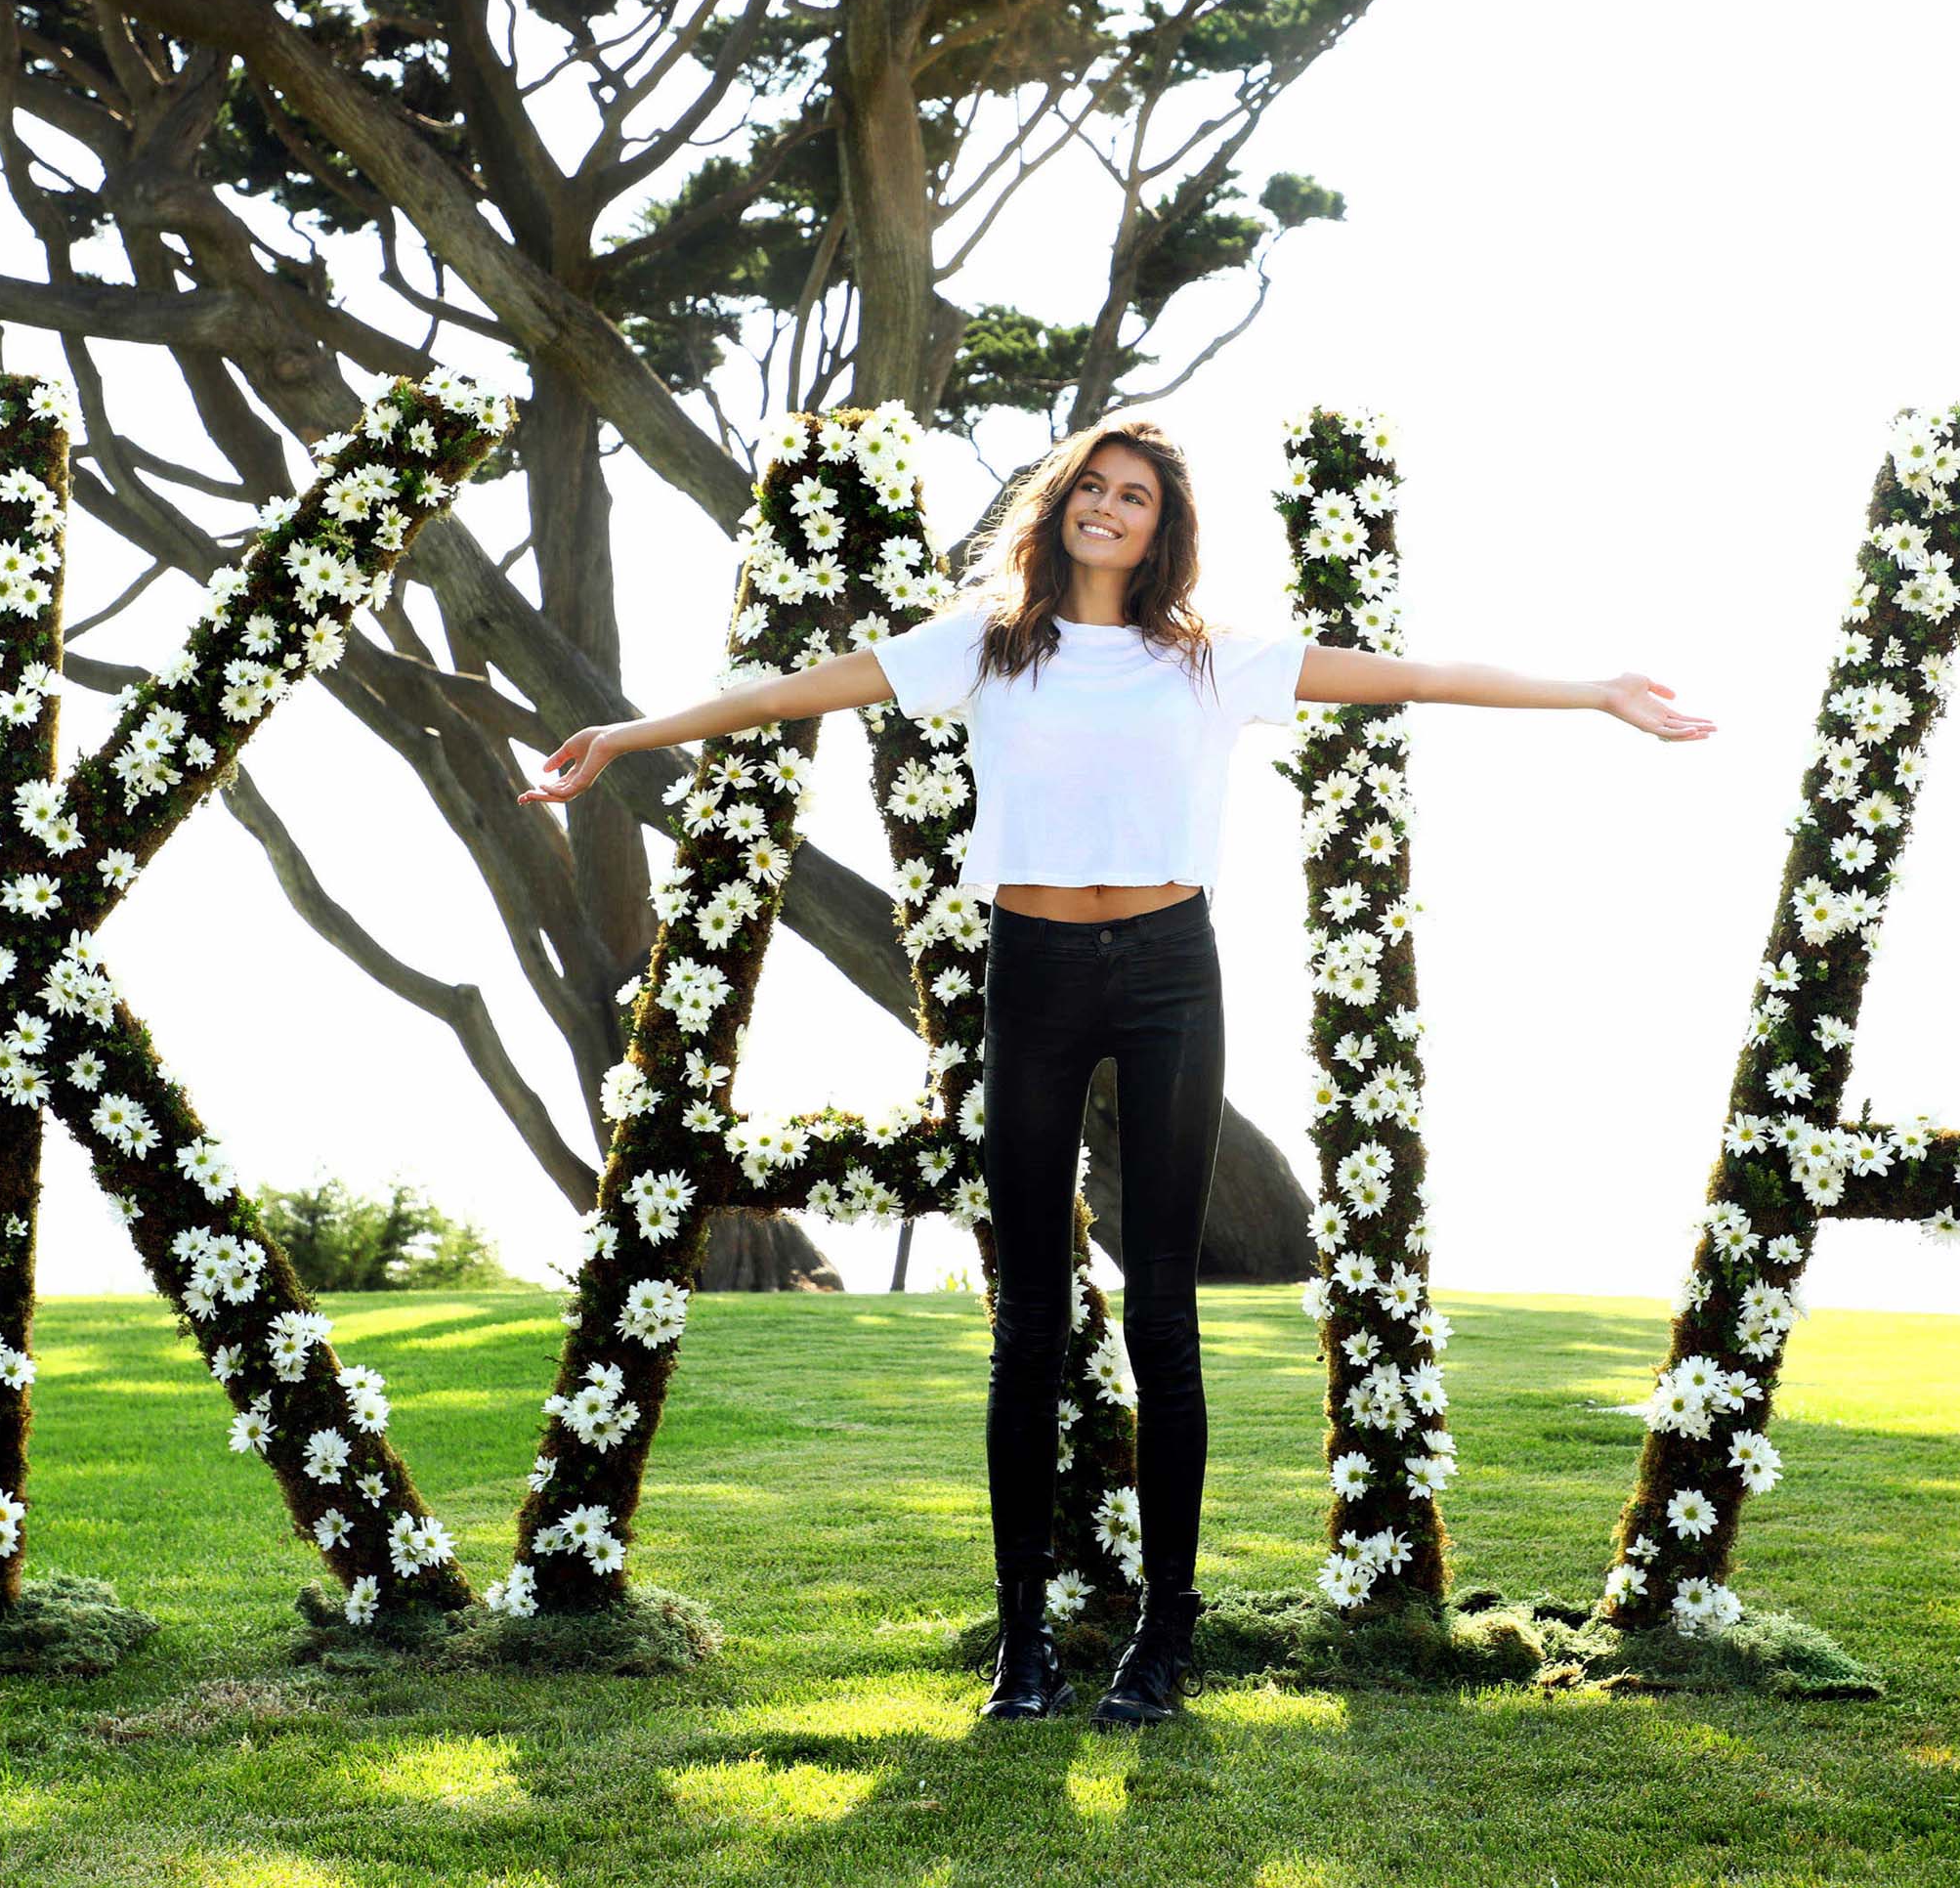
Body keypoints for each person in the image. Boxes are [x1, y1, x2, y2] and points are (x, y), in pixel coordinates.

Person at [518, 412, 1714, 1730]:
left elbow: (1410, 676)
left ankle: (1163, 1637)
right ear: (1059, 504)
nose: (1107, 507)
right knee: (1030, 1326)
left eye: (1133, 495)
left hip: (1168, 978)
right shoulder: (985, 641)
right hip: (1028, 974)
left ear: (1162, 528)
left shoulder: (1208, 658)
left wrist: (1594, 691)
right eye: (1090, 485)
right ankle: (1022, 1646)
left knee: (1163, 1320)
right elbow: (788, 692)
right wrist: (627, 736)